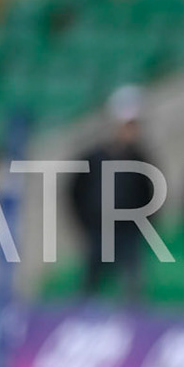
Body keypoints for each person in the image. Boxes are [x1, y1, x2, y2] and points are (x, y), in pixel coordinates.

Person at [70, 85, 159, 299]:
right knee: (90, 289)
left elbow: (151, 195)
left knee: (131, 290)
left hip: (128, 235)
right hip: (98, 232)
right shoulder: (93, 157)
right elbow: (75, 192)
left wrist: (141, 226)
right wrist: (86, 224)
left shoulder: (141, 159)